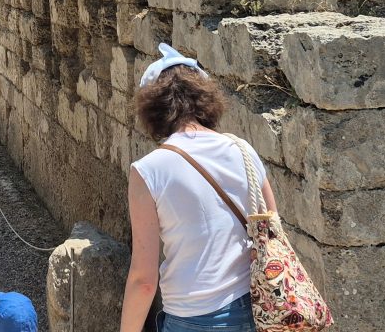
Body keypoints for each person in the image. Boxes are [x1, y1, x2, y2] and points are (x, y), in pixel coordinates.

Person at [118, 44, 276, 332]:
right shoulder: (243, 150)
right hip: (258, 309)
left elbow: (144, 279)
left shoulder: (149, 170)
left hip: (193, 317)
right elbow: (272, 231)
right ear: (206, 99)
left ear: (151, 107)